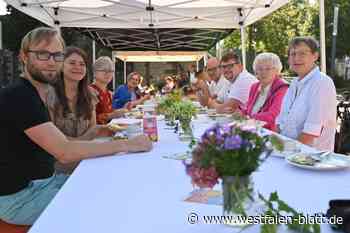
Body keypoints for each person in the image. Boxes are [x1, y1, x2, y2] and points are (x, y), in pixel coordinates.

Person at [0, 27, 152, 226]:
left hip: (46, 182)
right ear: (24, 57)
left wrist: (101, 134)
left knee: (114, 183)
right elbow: (64, 151)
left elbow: (62, 145)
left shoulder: (36, 93)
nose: (52, 61)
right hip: (21, 200)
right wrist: (128, 145)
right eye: (42, 54)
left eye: (57, 55)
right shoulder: (19, 95)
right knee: (111, 204)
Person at [276, 36, 337, 151]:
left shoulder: (322, 83)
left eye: (302, 53)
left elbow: (310, 133)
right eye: (293, 54)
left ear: (315, 56)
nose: (296, 58)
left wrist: (283, 150)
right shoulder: (294, 83)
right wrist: (276, 145)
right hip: (288, 152)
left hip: (310, 159)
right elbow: (280, 121)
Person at [47, 47, 100, 140]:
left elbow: (92, 128)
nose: (78, 67)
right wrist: (79, 142)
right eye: (72, 63)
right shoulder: (49, 95)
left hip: (86, 150)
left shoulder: (90, 94)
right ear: (61, 66)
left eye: (82, 64)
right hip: (57, 152)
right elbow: (51, 136)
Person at [240, 53, 289, 131]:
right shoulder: (254, 87)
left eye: (268, 69)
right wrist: (240, 113)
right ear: (256, 71)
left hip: (270, 133)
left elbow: (273, 116)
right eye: (260, 69)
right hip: (251, 128)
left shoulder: (282, 89)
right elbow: (248, 110)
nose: (263, 72)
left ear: (277, 71)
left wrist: (248, 119)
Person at [90, 56, 126, 125]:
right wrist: (111, 115)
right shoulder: (90, 91)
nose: (108, 73)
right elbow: (88, 121)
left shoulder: (108, 93)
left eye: (111, 71)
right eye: (104, 70)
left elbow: (108, 112)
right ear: (95, 72)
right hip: (97, 134)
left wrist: (123, 109)